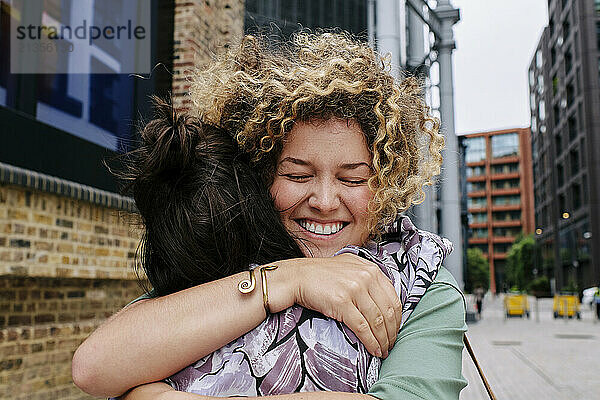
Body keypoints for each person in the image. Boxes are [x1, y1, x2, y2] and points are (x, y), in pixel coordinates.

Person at [72, 31, 467, 400]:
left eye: (353, 178)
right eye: (297, 175)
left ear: (386, 183)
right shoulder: (229, 256)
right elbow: (94, 367)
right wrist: (288, 280)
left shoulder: (424, 284)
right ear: (262, 173)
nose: (325, 201)